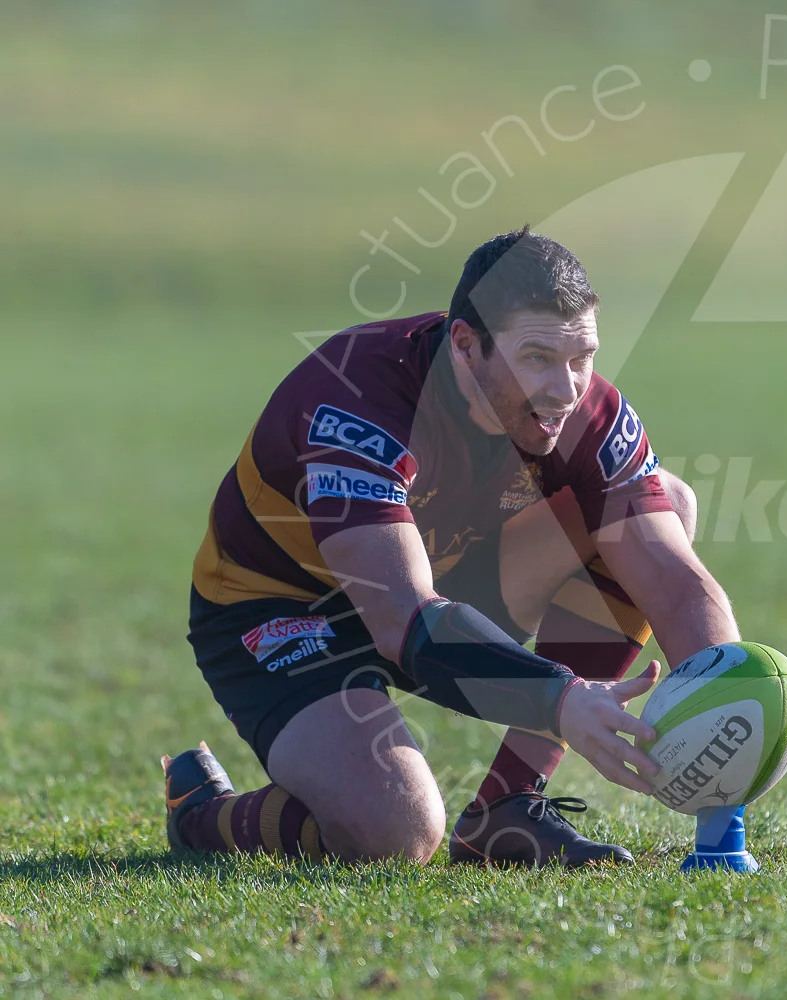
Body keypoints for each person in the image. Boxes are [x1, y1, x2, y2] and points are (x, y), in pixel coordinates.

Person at [161, 227, 740, 867]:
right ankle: (201, 819)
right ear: (466, 344)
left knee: (660, 509)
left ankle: (507, 808)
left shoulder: (585, 412)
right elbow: (401, 617)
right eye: (537, 359)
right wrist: (562, 698)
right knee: (396, 832)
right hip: (281, 612)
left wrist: (731, 714)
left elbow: (672, 578)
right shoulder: (358, 398)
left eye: (583, 358)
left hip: (438, 583)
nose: (566, 389)